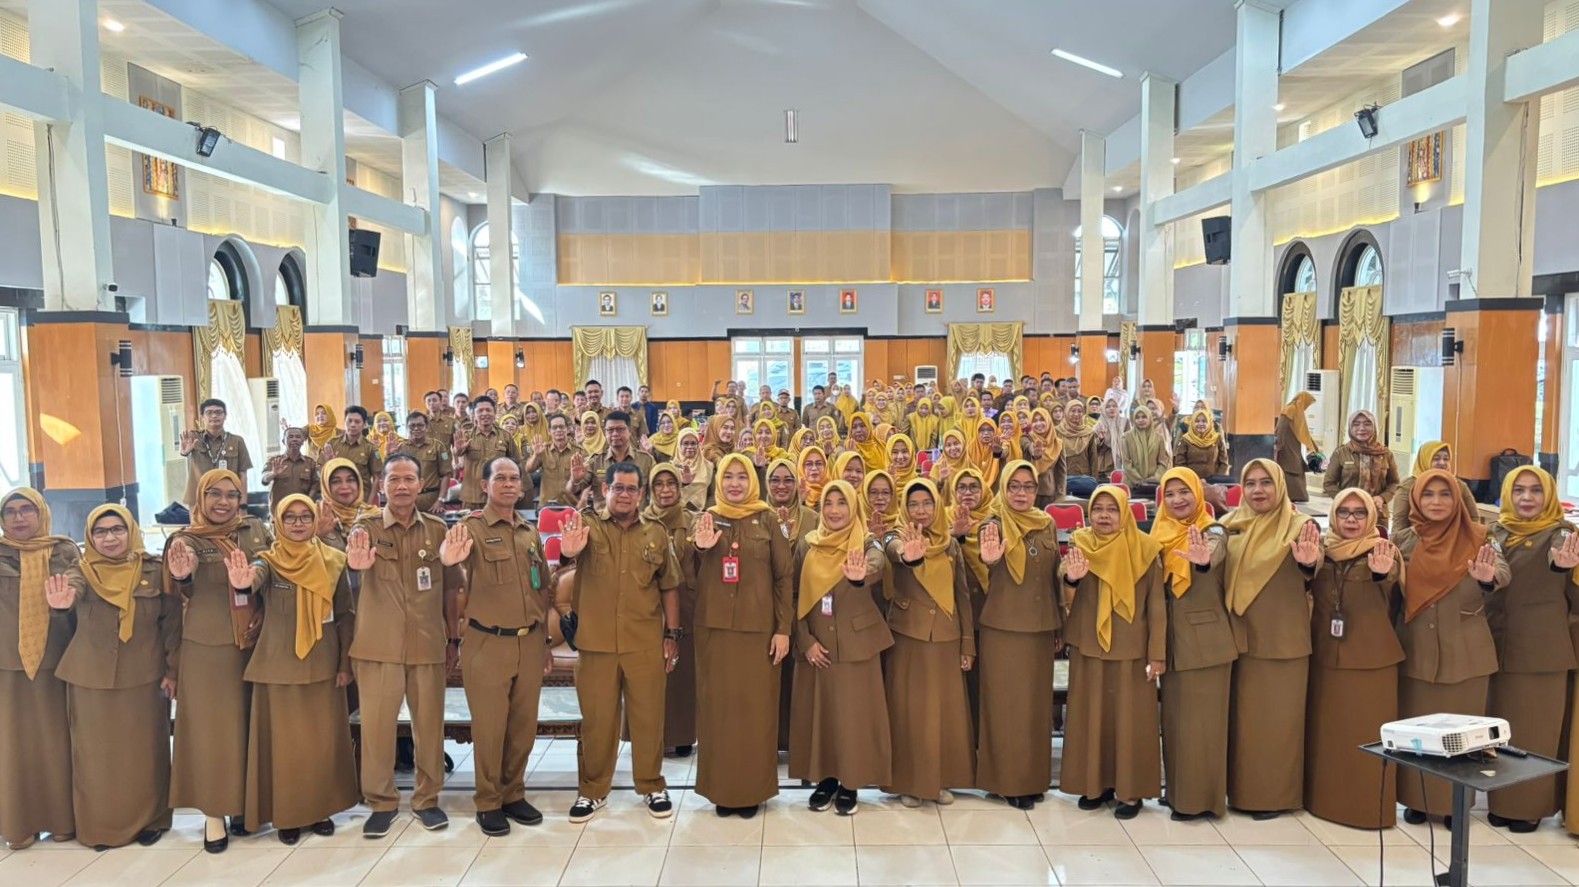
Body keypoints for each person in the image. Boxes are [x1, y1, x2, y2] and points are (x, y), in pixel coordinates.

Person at [344, 455, 463, 838]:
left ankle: (427, 799)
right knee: (377, 729)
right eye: (393, 479)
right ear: (382, 485)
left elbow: (450, 588)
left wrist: (453, 637)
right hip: (378, 646)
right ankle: (381, 802)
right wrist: (355, 565)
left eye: (409, 478)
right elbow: (351, 572)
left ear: (420, 484)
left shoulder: (437, 529)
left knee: (429, 726)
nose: (401, 486)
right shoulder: (365, 528)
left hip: (427, 643)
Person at [557, 462, 683, 823]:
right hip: (595, 644)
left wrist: (672, 635)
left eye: (631, 489)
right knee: (598, 722)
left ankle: (652, 785)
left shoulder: (656, 533)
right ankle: (593, 791)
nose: (624, 495)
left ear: (641, 494)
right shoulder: (587, 526)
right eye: (618, 488)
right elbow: (567, 555)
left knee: (648, 719)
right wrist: (567, 550)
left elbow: (669, 586)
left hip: (644, 642)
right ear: (605, 490)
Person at [47, 505, 178, 850]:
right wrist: (61, 603)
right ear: (90, 537)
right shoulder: (81, 570)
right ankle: (100, 827)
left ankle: (151, 820)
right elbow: (71, 592)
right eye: (101, 531)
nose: (110, 538)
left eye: (117, 529)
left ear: (130, 531)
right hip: (90, 678)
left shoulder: (153, 569)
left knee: (145, 753)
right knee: (96, 757)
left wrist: (173, 670)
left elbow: (171, 622)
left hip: (145, 676)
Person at [230, 495, 359, 844]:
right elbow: (253, 580)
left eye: (305, 516)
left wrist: (345, 663)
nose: (298, 524)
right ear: (278, 523)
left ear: (315, 521)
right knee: (284, 748)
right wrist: (241, 582)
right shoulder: (268, 561)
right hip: (279, 667)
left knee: (321, 744)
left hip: (322, 664)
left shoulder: (333, 560)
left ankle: (320, 810)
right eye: (290, 518)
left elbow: (345, 615)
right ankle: (287, 815)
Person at [442, 458, 554, 836]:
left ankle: (513, 793)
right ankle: (488, 801)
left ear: (522, 487)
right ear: (485, 485)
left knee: (523, 728)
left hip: (530, 642)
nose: (508, 484)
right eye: (500, 478)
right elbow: (451, 559)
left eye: (514, 478)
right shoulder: (471, 528)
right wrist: (449, 558)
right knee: (490, 729)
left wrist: (546, 640)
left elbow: (542, 588)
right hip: (488, 643)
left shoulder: (529, 532)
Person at [164, 470, 273, 851]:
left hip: (253, 644)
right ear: (200, 497)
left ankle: (244, 807)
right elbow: (178, 587)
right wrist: (184, 576)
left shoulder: (254, 529)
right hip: (207, 651)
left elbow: (273, 567)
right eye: (214, 494)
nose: (223, 502)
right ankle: (214, 814)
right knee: (213, 735)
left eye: (231, 494)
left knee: (247, 728)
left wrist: (259, 592)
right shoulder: (186, 540)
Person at [1394, 468, 1507, 824]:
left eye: (1445, 494)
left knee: (1462, 736)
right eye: (1428, 495)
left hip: (1466, 652)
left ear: (1458, 499)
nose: (1437, 502)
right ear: (1416, 500)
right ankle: (1418, 799)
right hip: (1417, 648)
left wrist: (1488, 579)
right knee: (1419, 732)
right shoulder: (1405, 539)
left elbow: (1502, 571)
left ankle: (1455, 805)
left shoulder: (1480, 536)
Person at [689, 453, 794, 817]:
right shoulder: (705, 518)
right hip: (714, 631)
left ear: (753, 481)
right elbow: (685, 570)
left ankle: (753, 790)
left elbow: (784, 577)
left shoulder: (768, 519)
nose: (735, 483)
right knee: (718, 713)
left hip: (758, 632)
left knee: (755, 713)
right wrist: (699, 548)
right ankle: (721, 790)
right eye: (728, 476)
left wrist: (783, 629)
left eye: (742, 476)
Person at [1220, 459, 1321, 819]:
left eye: (1266, 482)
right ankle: (1239, 792)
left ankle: (1275, 797)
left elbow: (1315, 566)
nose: (1258, 490)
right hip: (1238, 640)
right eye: (1250, 483)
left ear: (1280, 486)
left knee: (1277, 726)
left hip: (1282, 644)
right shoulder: (1229, 525)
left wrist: (1308, 563)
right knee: (1243, 726)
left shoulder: (1299, 526)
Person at [1060, 484, 1165, 819]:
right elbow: (1063, 583)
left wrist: (1157, 653)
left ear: (1124, 514)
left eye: (1112, 509)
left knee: (1130, 721)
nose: (1104, 516)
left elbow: (1157, 605)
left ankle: (1130, 793)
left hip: (1132, 647)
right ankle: (1096, 786)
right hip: (1089, 645)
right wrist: (1072, 580)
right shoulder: (1080, 543)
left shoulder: (1145, 548)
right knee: (1092, 718)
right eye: (1097, 509)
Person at [1483, 466, 1579, 832]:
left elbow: (1561, 562)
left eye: (1535, 490)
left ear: (1549, 495)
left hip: (1541, 651)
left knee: (1537, 733)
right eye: (1518, 490)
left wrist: (1564, 567)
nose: (1526, 498)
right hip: (1497, 645)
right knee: (1502, 732)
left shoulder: (1561, 534)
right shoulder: (1496, 530)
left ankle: (1529, 807)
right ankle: (1502, 801)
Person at [790, 480, 891, 816]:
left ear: (854, 506)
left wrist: (860, 576)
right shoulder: (807, 545)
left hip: (856, 645)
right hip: (816, 645)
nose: (834, 510)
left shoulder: (866, 542)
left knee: (854, 717)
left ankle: (852, 782)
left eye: (842, 503)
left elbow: (876, 564)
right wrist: (804, 640)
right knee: (822, 715)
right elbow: (792, 595)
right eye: (828, 503)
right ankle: (826, 779)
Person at [1304, 489, 1403, 829]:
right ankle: (1323, 802)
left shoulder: (1383, 551)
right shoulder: (1321, 549)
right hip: (1325, 658)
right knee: (1328, 737)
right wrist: (1305, 564)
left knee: (1365, 738)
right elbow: (1305, 577)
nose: (1351, 519)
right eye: (1343, 512)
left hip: (1370, 661)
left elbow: (1391, 579)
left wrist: (1380, 573)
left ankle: (1366, 811)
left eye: (1360, 513)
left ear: (1371, 517)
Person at [973, 461, 1063, 810]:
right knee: (1006, 707)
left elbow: (1054, 576)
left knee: (1035, 708)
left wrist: (1059, 624)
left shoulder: (1046, 523)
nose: (1021, 493)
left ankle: (1033, 779)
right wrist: (990, 559)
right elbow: (988, 561)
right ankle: (1007, 781)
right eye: (1014, 486)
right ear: (1004, 489)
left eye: (1028, 486)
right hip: (1004, 629)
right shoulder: (993, 524)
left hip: (1041, 627)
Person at [882, 478, 976, 807]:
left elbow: (962, 595)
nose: (920, 510)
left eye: (927, 503)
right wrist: (908, 555)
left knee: (943, 714)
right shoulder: (895, 534)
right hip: (909, 636)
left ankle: (939, 781)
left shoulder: (949, 544)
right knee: (909, 713)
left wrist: (967, 644)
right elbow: (893, 550)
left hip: (947, 637)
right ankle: (909, 783)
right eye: (913, 504)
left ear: (937, 506)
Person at [1150, 468, 1236, 821]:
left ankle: (1200, 801)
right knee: (1175, 724)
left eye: (1184, 491)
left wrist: (1202, 561)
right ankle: (1178, 793)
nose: (1177, 500)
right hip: (1172, 642)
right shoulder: (1159, 532)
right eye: (1170, 494)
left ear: (1197, 495)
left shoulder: (1212, 529)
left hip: (1205, 644)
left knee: (1203, 727)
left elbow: (1214, 551)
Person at [0, 489, 79, 851]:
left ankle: (62, 820)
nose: (19, 518)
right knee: (12, 747)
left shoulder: (64, 551)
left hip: (57, 661)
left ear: (42, 512)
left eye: (27, 509)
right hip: (7, 665)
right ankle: (19, 825)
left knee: (58, 743)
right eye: (10, 512)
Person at [642, 465, 699, 757]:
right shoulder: (640, 521)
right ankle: (651, 736)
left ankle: (682, 734)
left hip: (687, 607)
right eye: (659, 484)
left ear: (679, 488)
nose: (665, 490)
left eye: (671, 484)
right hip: (649, 608)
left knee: (681, 674)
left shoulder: (692, 520)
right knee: (651, 675)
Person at [1322, 410, 1400, 525]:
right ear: (1350, 428)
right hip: (1347, 515)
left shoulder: (1385, 454)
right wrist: (1345, 500)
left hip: (1377, 514)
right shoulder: (1341, 453)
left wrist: (1382, 498)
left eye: (1367, 424)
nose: (1361, 428)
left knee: (1377, 538)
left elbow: (1394, 482)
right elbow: (1329, 483)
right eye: (1356, 424)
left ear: (1374, 427)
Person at [1389, 441, 1480, 534]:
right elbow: (1398, 526)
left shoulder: (1459, 485)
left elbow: (1473, 518)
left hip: (1454, 540)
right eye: (1436, 459)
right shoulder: (1408, 486)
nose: (1442, 463)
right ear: (1424, 460)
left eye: (1446, 459)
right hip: (1417, 540)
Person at [179, 398, 254, 510]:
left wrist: (242, 504)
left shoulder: (237, 441)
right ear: (202, 417)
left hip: (227, 500)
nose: (214, 416)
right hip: (199, 499)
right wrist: (184, 452)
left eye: (218, 412)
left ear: (225, 416)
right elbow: (184, 451)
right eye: (209, 413)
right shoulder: (194, 438)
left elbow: (243, 474)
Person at [573, 411, 656, 511]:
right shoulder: (595, 461)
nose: (615, 434)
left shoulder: (646, 460)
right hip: (603, 519)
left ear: (630, 431)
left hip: (637, 518)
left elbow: (656, 493)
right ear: (605, 432)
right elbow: (575, 491)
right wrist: (575, 480)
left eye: (620, 429)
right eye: (610, 430)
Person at [452, 396, 522, 510]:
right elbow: (457, 454)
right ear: (474, 414)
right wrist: (458, 450)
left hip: (499, 495)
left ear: (494, 412)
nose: (484, 413)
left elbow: (517, 463)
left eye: (488, 410)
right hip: (472, 496)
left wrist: (519, 489)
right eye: (480, 411)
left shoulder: (505, 436)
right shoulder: (466, 436)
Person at [393, 411, 454, 513]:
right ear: (407, 428)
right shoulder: (401, 447)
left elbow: (446, 475)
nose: (416, 429)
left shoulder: (437, 446)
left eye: (420, 425)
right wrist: (390, 454)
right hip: (406, 499)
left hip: (431, 500)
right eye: (412, 426)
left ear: (427, 427)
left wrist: (440, 500)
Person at [317, 458, 379, 549]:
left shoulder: (375, 515)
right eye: (336, 481)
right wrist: (317, 535)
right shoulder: (316, 515)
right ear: (326, 485)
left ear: (359, 483)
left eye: (350, 480)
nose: (344, 486)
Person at [321, 406, 381, 501]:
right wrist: (329, 464)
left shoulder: (370, 448)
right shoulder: (332, 444)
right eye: (349, 421)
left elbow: (377, 477)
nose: (352, 425)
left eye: (357, 422)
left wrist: (369, 503)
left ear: (364, 424)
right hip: (337, 500)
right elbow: (321, 472)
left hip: (361, 501)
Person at [526, 413, 579, 508]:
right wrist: (536, 455)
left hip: (571, 505)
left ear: (567, 429)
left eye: (561, 427)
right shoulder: (543, 449)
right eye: (554, 428)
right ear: (549, 431)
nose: (558, 430)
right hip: (547, 505)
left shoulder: (578, 451)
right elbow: (529, 469)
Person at [261, 427, 320, 512]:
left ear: (303, 441)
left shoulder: (310, 463)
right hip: (278, 512)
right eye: (290, 437)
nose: (294, 439)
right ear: (283, 441)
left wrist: (308, 502)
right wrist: (273, 474)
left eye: (298, 437)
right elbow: (264, 479)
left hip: (301, 511)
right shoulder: (275, 461)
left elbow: (315, 485)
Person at [1273, 393, 1318, 502]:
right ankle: (1292, 495)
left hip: (1294, 444)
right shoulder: (1291, 409)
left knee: (1296, 467)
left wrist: (1312, 445)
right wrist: (1279, 444)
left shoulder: (1298, 411)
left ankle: (1297, 495)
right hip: (1286, 445)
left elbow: (1303, 431)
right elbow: (1281, 427)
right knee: (1291, 467)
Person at [1119, 407, 1170, 496]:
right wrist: (1140, 481)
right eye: (1137, 417)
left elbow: (1162, 462)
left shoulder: (1159, 438)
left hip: (1153, 485)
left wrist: (1155, 479)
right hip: (1132, 485)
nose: (1140, 420)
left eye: (1144, 417)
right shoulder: (1126, 437)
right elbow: (1126, 463)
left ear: (1149, 418)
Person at [1057, 399, 1104, 497]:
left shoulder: (1088, 432)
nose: (1076, 414)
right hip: (1063, 480)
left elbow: (1093, 459)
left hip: (1085, 481)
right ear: (1066, 412)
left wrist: (1094, 481)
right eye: (1073, 411)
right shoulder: (1057, 432)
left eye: (1080, 411)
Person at [1174, 409, 1231, 482]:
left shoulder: (1217, 438)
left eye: (1204, 421)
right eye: (1197, 421)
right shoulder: (1185, 439)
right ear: (1192, 423)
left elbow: (1224, 463)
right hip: (1191, 482)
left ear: (1209, 423)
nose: (1200, 424)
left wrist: (1217, 479)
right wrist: (1190, 480)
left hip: (1213, 483)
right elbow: (1180, 464)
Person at [673, 429, 714, 511]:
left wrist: (705, 512)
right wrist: (684, 484)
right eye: (685, 443)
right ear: (679, 445)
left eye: (693, 443)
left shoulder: (708, 466)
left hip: (700, 514)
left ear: (698, 445)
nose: (690, 447)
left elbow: (712, 494)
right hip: (676, 512)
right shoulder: (672, 467)